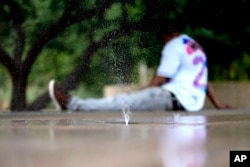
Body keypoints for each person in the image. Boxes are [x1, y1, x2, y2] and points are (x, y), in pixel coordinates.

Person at [48, 22, 233, 112]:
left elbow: (161, 79)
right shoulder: (194, 46)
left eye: (163, 41)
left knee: (123, 102)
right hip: (188, 103)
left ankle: (72, 104)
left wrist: (142, 93)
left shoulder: (174, 45)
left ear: (167, 36)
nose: (164, 44)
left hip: (172, 97)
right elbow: (204, 82)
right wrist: (218, 105)